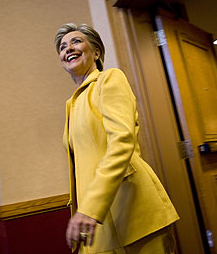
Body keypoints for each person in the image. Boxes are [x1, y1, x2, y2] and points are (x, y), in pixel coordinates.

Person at [54, 23, 179, 254]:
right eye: (62, 46)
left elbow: (122, 142)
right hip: (96, 223)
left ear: (97, 52)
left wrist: (91, 208)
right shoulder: (71, 104)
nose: (68, 48)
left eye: (76, 41)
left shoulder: (109, 79)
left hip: (132, 213)